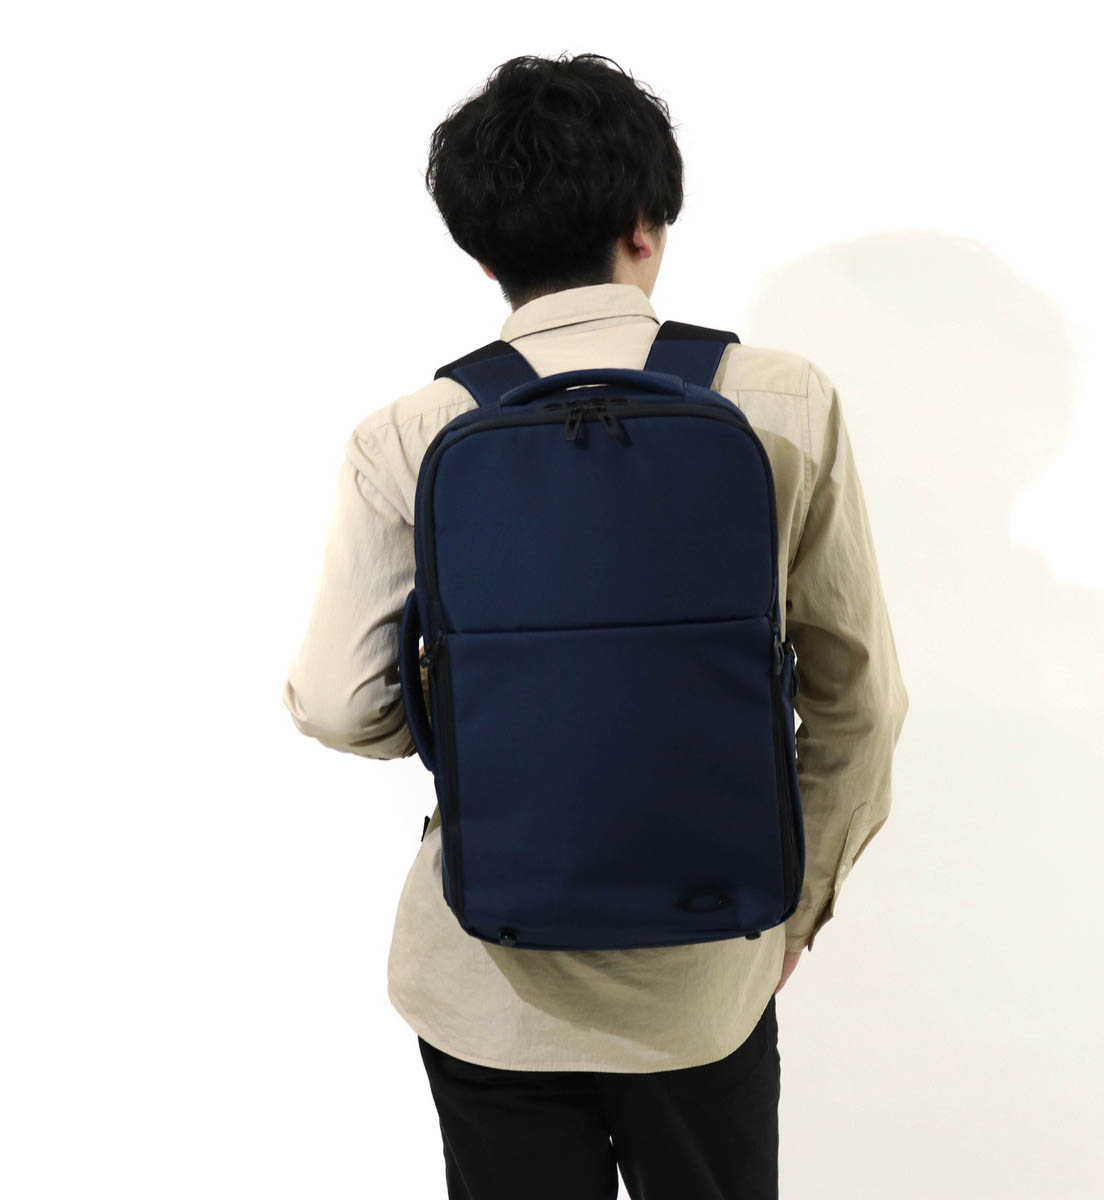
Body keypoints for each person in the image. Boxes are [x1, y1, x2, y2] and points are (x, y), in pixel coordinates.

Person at [283, 51, 908, 1200]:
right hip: (706, 978)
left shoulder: (408, 433)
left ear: (482, 254)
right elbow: (862, 703)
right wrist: (792, 914)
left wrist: (477, 723)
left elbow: (337, 704)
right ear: (646, 226)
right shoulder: (783, 401)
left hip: (485, 977)